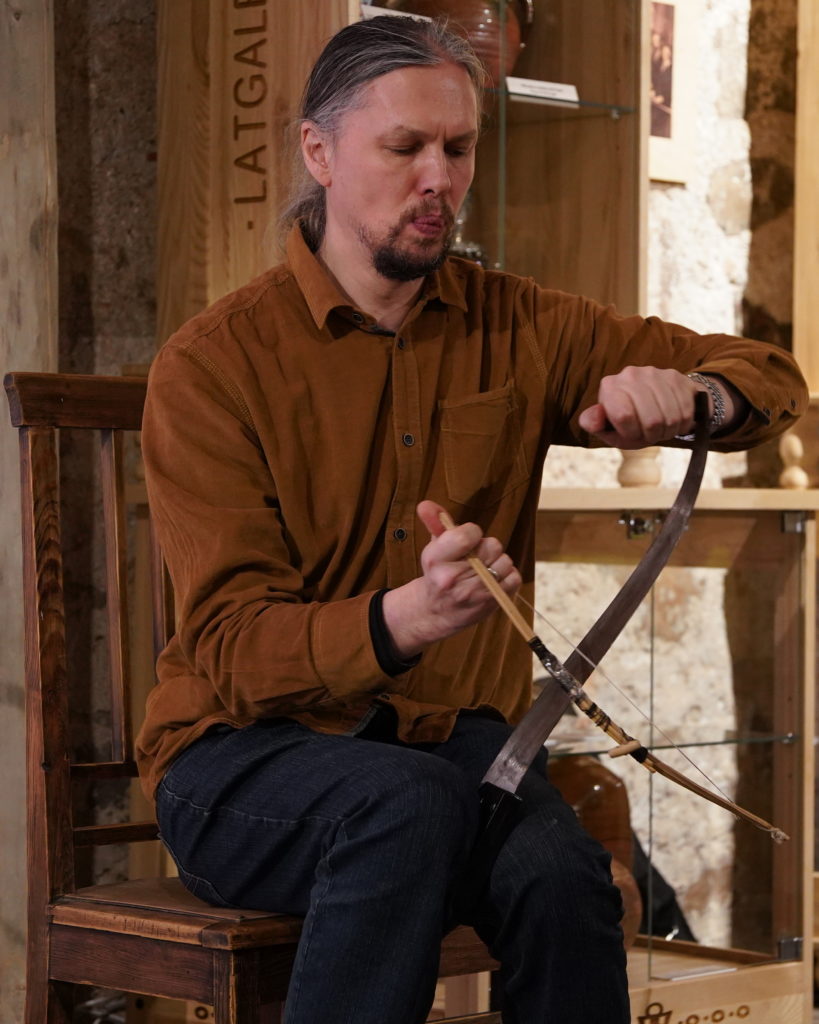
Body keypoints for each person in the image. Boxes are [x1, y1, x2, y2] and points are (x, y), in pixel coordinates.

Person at [136, 15, 807, 1024]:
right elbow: (232, 651)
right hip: (238, 760)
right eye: (404, 147)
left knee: (568, 879)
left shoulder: (519, 323)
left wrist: (694, 397)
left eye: (458, 148)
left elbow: (770, 374)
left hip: (447, 749)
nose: (438, 179)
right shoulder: (213, 366)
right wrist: (401, 620)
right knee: (405, 806)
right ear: (319, 152)